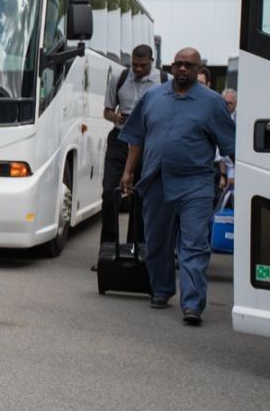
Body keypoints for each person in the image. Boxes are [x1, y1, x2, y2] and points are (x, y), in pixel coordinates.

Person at [120, 47, 235, 326]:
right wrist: (128, 172)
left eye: (189, 65)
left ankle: (192, 303)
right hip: (156, 178)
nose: (182, 69)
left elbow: (231, 145)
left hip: (195, 182)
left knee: (194, 242)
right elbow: (136, 137)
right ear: (171, 67)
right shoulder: (153, 97)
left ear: (199, 70)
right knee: (157, 240)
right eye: (178, 64)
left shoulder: (211, 103)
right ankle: (161, 289)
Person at [101, 44, 165, 242]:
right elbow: (107, 111)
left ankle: (135, 248)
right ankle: (108, 249)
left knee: (140, 197)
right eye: (134, 65)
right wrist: (116, 117)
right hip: (120, 140)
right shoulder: (119, 78)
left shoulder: (164, 81)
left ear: (151, 62)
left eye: (142, 65)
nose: (137, 69)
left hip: (147, 144)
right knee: (110, 193)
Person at [217, 88, 238, 192]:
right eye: (225, 103)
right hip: (223, 168)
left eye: (230, 103)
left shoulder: (240, 118)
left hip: (236, 167)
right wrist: (223, 175)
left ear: (236, 103)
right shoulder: (217, 117)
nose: (227, 106)